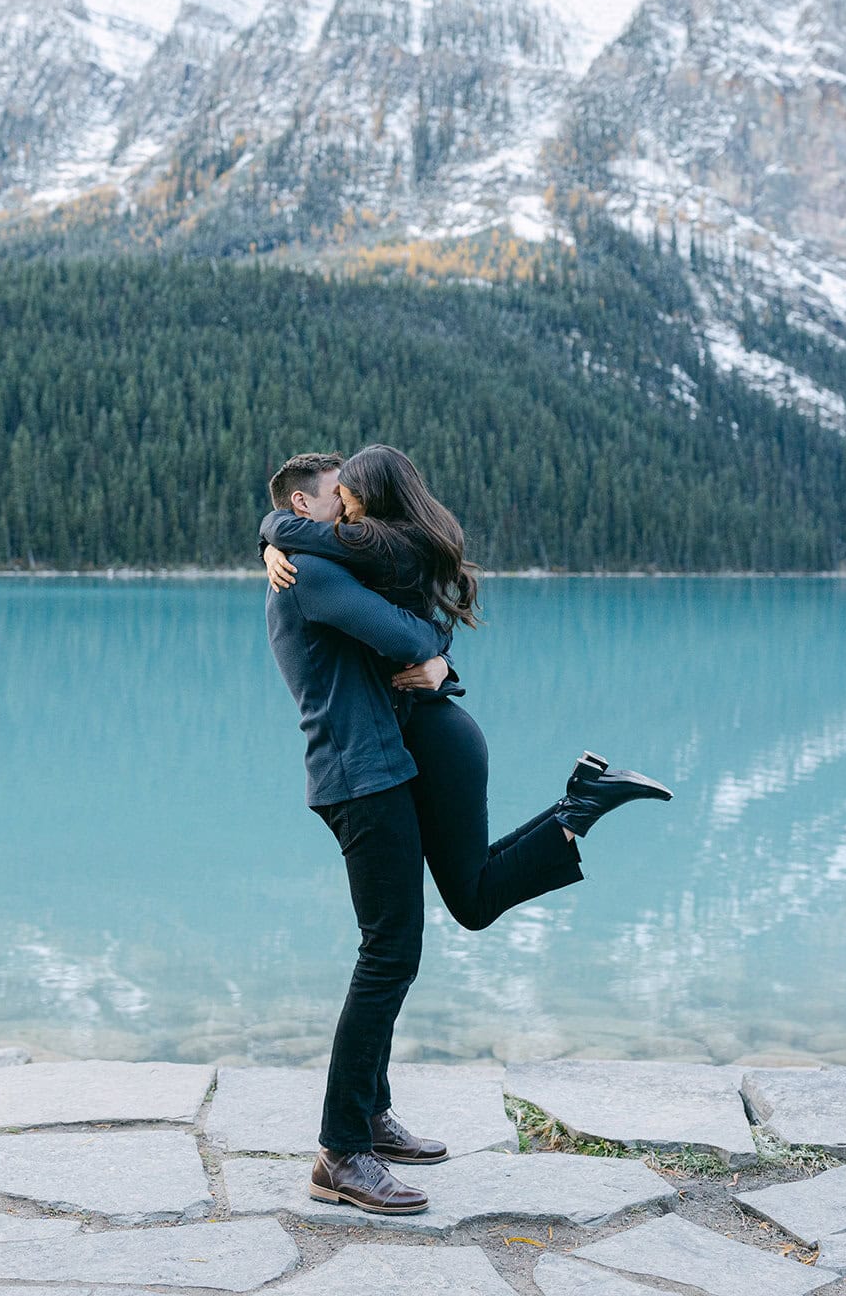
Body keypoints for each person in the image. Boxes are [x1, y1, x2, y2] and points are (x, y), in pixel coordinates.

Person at [260, 447, 673, 1216]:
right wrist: (275, 535)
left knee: (406, 939)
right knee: (388, 953)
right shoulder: (307, 569)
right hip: (360, 777)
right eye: (336, 503)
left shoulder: (319, 560)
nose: (352, 514)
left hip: (387, 767)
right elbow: (408, 639)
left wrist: (439, 666)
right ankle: (339, 1150)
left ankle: (370, 1118)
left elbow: (416, 637)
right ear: (302, 509)